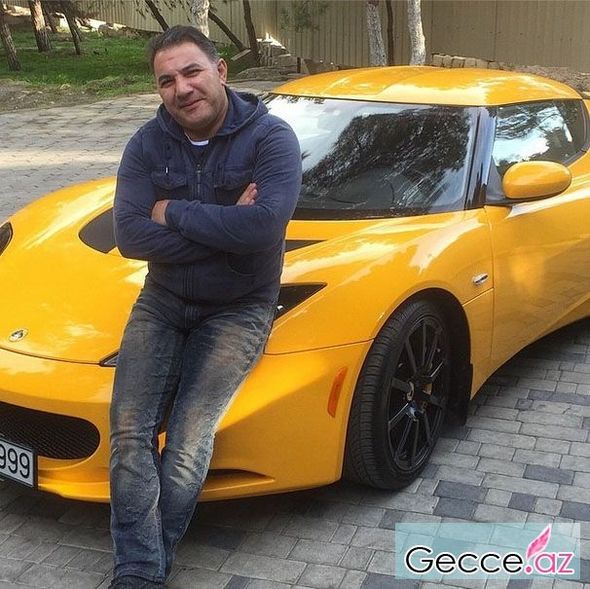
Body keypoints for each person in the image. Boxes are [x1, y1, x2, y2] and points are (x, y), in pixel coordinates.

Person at [108, 25, 302, 589]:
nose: (181, 88)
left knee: (188, 440)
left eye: (191, 72)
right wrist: (227, 227)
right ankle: (141, 571)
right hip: (163, 299)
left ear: (220, 70)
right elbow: (130, 237)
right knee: (128, 431)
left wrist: (170, 211)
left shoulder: (271, 138)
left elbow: (264, 227)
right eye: (166, 80)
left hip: (239, 308)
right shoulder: (147, 143)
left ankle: (143, 566)